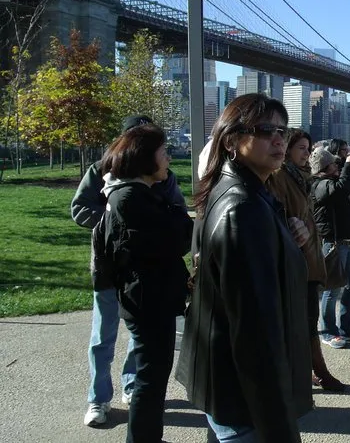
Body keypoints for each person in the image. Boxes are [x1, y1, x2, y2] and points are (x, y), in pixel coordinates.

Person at [175, 94, 313, 443]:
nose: (279, 140)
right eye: (266, 130)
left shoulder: (242, 194)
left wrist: (286, 237)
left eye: (282, 131)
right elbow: (255, 334)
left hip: (225, 388)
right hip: (243, 401)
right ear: (231, 141)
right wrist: (278, 426)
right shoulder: (243, 209)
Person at [71, 115, 186, 427]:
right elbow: (79, 209)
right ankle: (98, 399)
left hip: (144, 276)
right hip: (110, 269)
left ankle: (132, 386)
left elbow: (177, 211)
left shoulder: (163, 176)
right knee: (103, 336)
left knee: (140, 339)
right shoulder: (101, 172)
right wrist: (116, 223)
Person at [99, 123, 193, 442]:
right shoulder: (131, 198)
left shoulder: (139, 194)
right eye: (164, 152)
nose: (168, 159)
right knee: (150, 379)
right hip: (147, 301)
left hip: (151, 298)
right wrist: (178, 216)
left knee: (153, 377)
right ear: (144, 158)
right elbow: (175, 239)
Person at [268, 128, 346, 392]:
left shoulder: (300, 177)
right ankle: (317, 372)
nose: (307, 154)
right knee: (303, 324)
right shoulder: (280, 177)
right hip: (296, 262)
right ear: (288, 149)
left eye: (309, 149)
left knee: (308, 322)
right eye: (301, 148)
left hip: (309, 259)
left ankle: (308, 371)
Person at [311, 146, 350, 349]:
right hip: (333, 243)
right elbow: (341, 189)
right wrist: (348, 167)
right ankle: (328, 331)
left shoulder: (335, 182)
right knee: (332, 289)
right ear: (324, 167)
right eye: (334, 164)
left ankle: (347, 327)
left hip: (348, 243)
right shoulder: (319, 185)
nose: (338, 165)